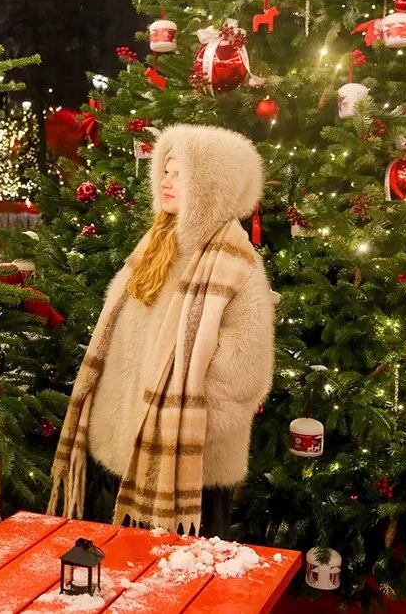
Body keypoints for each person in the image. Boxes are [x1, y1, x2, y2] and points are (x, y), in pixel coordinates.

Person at [48, 124, 276, 537]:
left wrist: (186, 425)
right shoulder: (154, 247)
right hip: (129, 452)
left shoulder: (236, 265)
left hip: (191, 469)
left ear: (211, 187)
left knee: (187, 571)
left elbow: (246, 371)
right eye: (165, 172)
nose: (166, 182)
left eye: (180, 175)